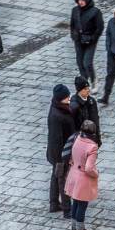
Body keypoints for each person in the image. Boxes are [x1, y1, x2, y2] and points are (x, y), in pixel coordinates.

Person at [63, 118, 101, 230]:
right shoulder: (92, 147)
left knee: (76, 203)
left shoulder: (77, 138)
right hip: (83, 180)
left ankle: (74, 229)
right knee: (82, 205)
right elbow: (89, 168)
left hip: (73, 174)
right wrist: (96, 174)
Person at [45, 83, 76, 213]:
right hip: (60, 154)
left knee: (55, 176)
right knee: (63, 179)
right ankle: (67, 208)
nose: (69, 98)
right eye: (66, 97)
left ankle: (53, 204)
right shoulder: (57, 115)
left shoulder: (59, 107)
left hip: (55, 152)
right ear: (60, 98)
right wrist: (62, 159)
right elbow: (58, 139)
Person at [69, 0, 104, 85]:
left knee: (87, 63)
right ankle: (85, 82)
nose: (80, 2)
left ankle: (93, 79)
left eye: (82, 0)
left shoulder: (95, 12)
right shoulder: (75, 10)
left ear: (87, 0)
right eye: (79, 0)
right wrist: (73, 35)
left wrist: (93, 38)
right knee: (80, 62)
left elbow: (100, 27)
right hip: (78, 40)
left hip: (90, 41)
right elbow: (72, 25)